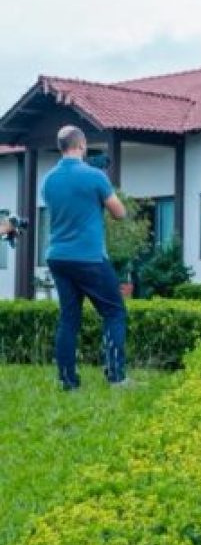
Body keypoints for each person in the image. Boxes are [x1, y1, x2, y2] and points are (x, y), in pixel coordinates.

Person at [41, 124, 129, 390]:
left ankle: (67, 380)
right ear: (81, 145)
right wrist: (101, 184)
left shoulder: (47, 180)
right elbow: (120, 213)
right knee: (114, 312)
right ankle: (116, 377)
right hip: (88, 257)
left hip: (57, 256)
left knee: (69, 319)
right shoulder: (95, 176)